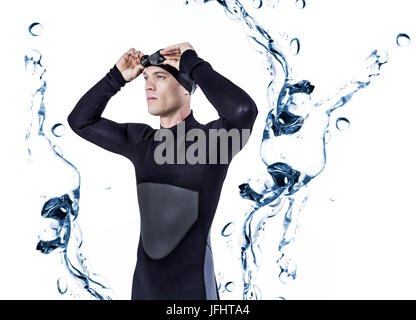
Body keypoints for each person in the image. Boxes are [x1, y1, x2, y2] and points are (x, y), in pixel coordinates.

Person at [67, 42, 258, 300]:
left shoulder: (213, 142)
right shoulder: (141, 141)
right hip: (143, 292)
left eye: (160, 76)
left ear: (186, 89)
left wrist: (193, 63)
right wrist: (115, 78)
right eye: (146, 77)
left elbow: (243, 111)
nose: (148, 85)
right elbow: (80, 121)